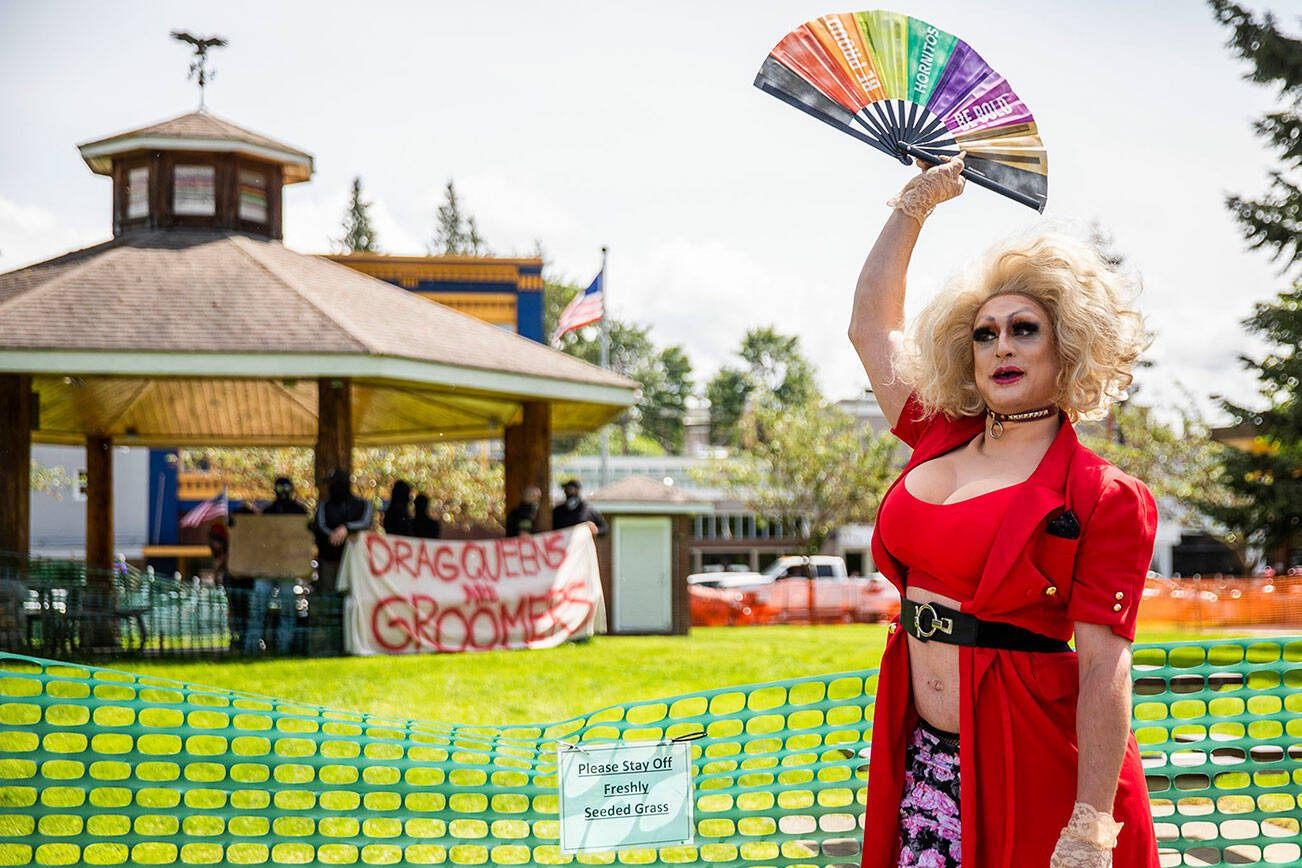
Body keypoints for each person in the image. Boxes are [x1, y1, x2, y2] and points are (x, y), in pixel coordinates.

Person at [849, 154, 1158, 868]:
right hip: (919, 748)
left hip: (1034, 754)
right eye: (985, 334)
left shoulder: (1104, 494)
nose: (1001, 346)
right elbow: (871, 328)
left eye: (1024, 329)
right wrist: (913, 205)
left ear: (1069, 344)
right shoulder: (937, 431)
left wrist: (1090, 824)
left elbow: (1105, 666)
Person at [244, 476, 308, 654]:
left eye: (286, 489)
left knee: (288, 610)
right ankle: (251, 647)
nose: (284, 493)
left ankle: (284, 647)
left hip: (288, 567)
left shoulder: (298, 512)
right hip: (268, 566)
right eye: (281, 489)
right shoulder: (268, 512)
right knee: (258, 608)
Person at [310, 469, 373, 594]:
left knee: (353, 595)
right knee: (329, 596)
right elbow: (321, 526)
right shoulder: (324, 505)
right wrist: (335, 534)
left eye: (333, 484)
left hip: (354, 560)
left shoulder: (363, 504)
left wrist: (347, 528)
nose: (330, 488)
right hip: (329, 558)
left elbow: (365, 523)